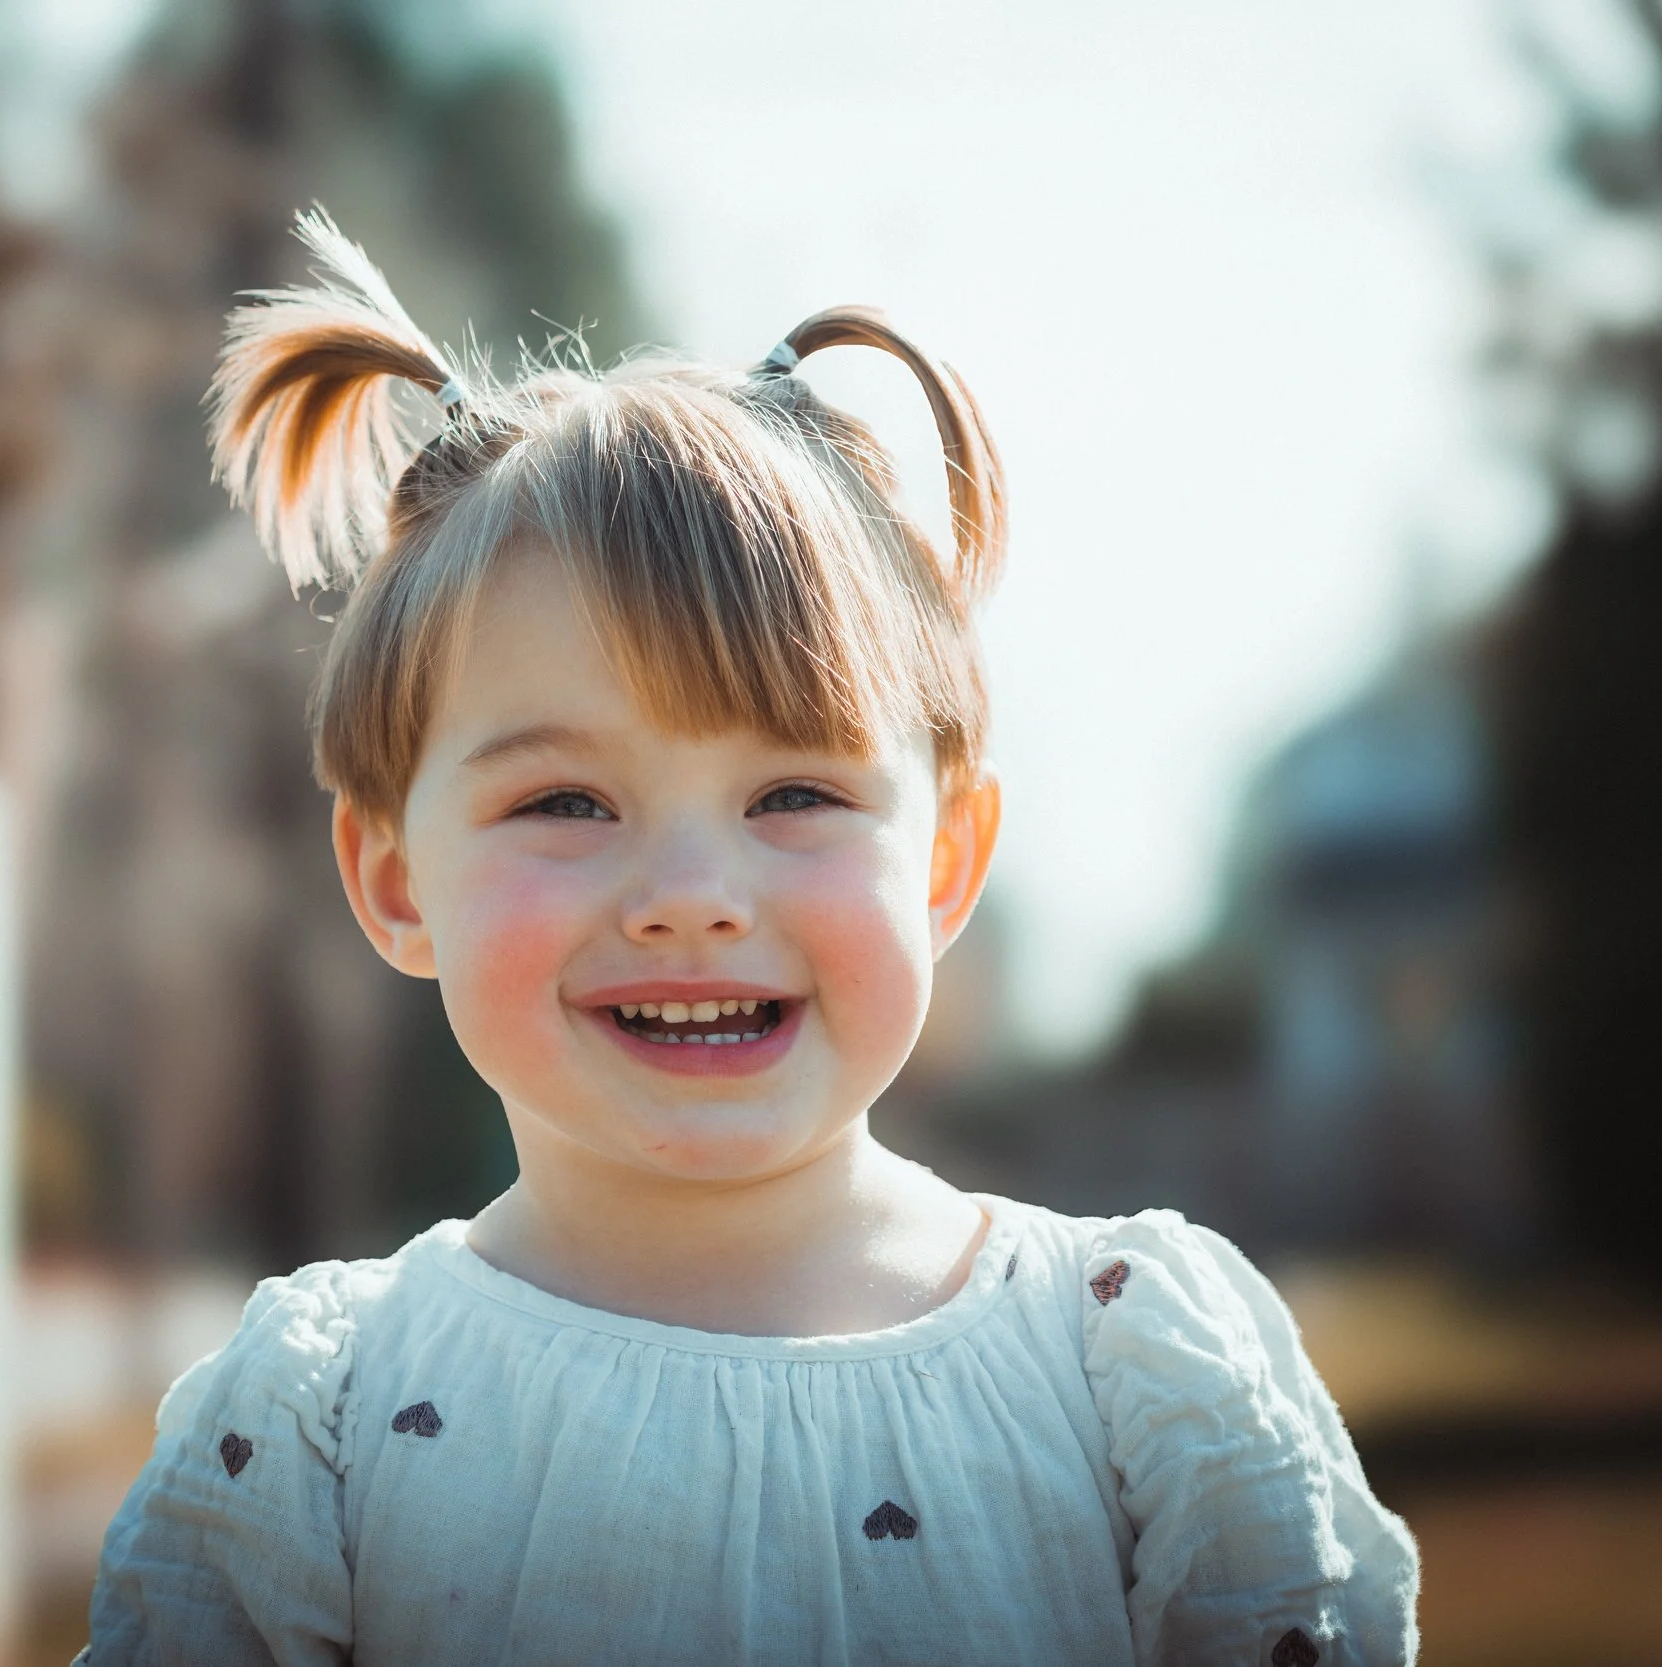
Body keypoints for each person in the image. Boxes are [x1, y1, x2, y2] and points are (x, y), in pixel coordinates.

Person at [81, 209, 1421, 1666]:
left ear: (948, 860)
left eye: (795, 791)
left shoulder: (1135, 1375)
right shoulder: (313, 1428)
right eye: (567, 799)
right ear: (397, 880)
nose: (692, 890)